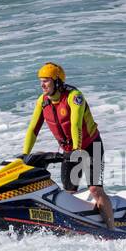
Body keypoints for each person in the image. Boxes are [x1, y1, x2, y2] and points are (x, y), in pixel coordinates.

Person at [21, 62, 114, 229]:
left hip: (92, 146)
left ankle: (112, 228)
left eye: (46, 81)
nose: (42, 85)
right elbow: (32, 129)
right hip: (69, 151)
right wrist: (24, 156)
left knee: (95, 189)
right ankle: (77, 226)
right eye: (41, 81)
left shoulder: (74, 96)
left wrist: (77, 150)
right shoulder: (43, 102)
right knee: (69, 193)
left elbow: (75, 124)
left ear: (57, 81)